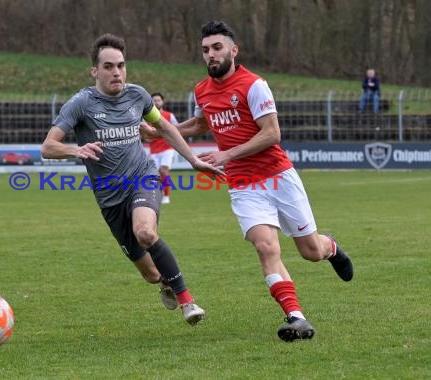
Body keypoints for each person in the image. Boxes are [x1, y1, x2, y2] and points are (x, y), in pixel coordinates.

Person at [169, 20, 354, 340]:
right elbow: (201, 124)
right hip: (243, 185)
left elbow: (272, 133)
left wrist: (227, 154)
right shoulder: (201, 90)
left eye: (216, 48)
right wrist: (161, 128)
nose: (210, 55)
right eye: (205, 50)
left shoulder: (254, 85)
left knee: (310, 251)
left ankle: (331, 247)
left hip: (278, 177)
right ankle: (296, 317)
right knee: (266, 247)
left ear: (233, 50)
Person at [41, 33, 223, 325]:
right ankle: (165, 281)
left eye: (121, 66)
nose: (117, 72)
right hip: (110, 199)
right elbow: (48, 147)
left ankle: (187, 302)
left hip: (142, 176)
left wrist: (193, 160)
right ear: (94, 71)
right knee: (151, 274)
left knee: (146, 233)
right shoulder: (80, 104)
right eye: (109, 66)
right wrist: (77, 148)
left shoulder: (137, 95)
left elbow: (163, 127)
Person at [144, 92, 179, 204]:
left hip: (167, 148)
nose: (156, 102)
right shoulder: (146, 118)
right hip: (154, 150)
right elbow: (145, 134)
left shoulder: (169, 115)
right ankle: (158, 194)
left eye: (158, 100)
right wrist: (147, 137)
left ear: (162, 102)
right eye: (154, 100)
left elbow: (176, 129)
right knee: (156, 174)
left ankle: (166, 196)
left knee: (164, 171)